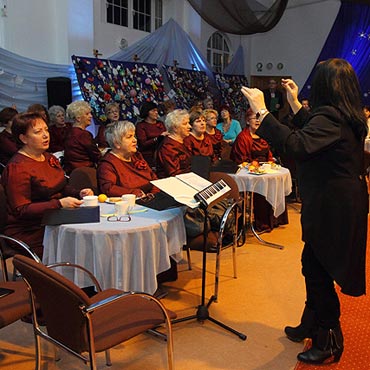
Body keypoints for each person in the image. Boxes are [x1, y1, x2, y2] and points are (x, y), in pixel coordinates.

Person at [241, 58, 368, 365]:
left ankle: (329, 338)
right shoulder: (345, 115)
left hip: (333, 205)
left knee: (317, 268)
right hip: (342, 201)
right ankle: (311, 323)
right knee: (313, 263)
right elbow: (315, 134)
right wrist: (295, 104)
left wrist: (262, 111)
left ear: (325, 86)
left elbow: (298, 145)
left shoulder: (331, 118)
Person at [1, 112, 93, 258]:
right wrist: (59, 204)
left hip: (54, 218)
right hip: (30, 229)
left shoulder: (48, 157)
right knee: (81, 246)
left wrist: (78, 193)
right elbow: (21, 209)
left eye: (46, 130)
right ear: (23, 138)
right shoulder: (18, 167)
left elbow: (61, 187)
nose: (45, 135)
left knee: (91, 229)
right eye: (38, 132)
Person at [231, 108, 288, 232]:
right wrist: (255, 166)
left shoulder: (263, 135)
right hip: (250, 173)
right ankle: (262, 223)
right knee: (261, 188)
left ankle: (275, 219)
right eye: (254, 118)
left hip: (265, 169)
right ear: (247, 121)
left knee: (275, 181)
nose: (257, 121)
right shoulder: (243, 137)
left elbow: (268, 153)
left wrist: (270, 162)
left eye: (259, 118)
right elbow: (241, 159)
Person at [97, 121, 159, 197]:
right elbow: (108, 189)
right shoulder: (107, 164)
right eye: (129, 137)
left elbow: (154, 179)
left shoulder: (136, 156)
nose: (135, 140)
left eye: (134, 136)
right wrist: (135, 193)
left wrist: (153, 194)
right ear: (117, 143)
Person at [63, 100, 102, 175]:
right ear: (78, 118)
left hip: (72, 173)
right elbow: (96, 156)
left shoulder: (69, 132)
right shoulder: (83, 135)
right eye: (87, 114)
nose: (91, 116)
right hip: (86, 173)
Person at [156, 109, 191, 178]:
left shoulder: (185, 141)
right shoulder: (167, 147)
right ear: (175, 128)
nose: (190, 126)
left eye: (188, 123)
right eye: (185, 124)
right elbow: (174, 174)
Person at [136, 101, 167, 169]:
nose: (156, 112)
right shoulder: (141, 126)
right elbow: (143, 144)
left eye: (156, 110)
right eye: (153, 111)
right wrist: (158, 138)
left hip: (163, 154)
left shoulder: (161, 124)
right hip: (149, 156)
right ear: (147, 112)